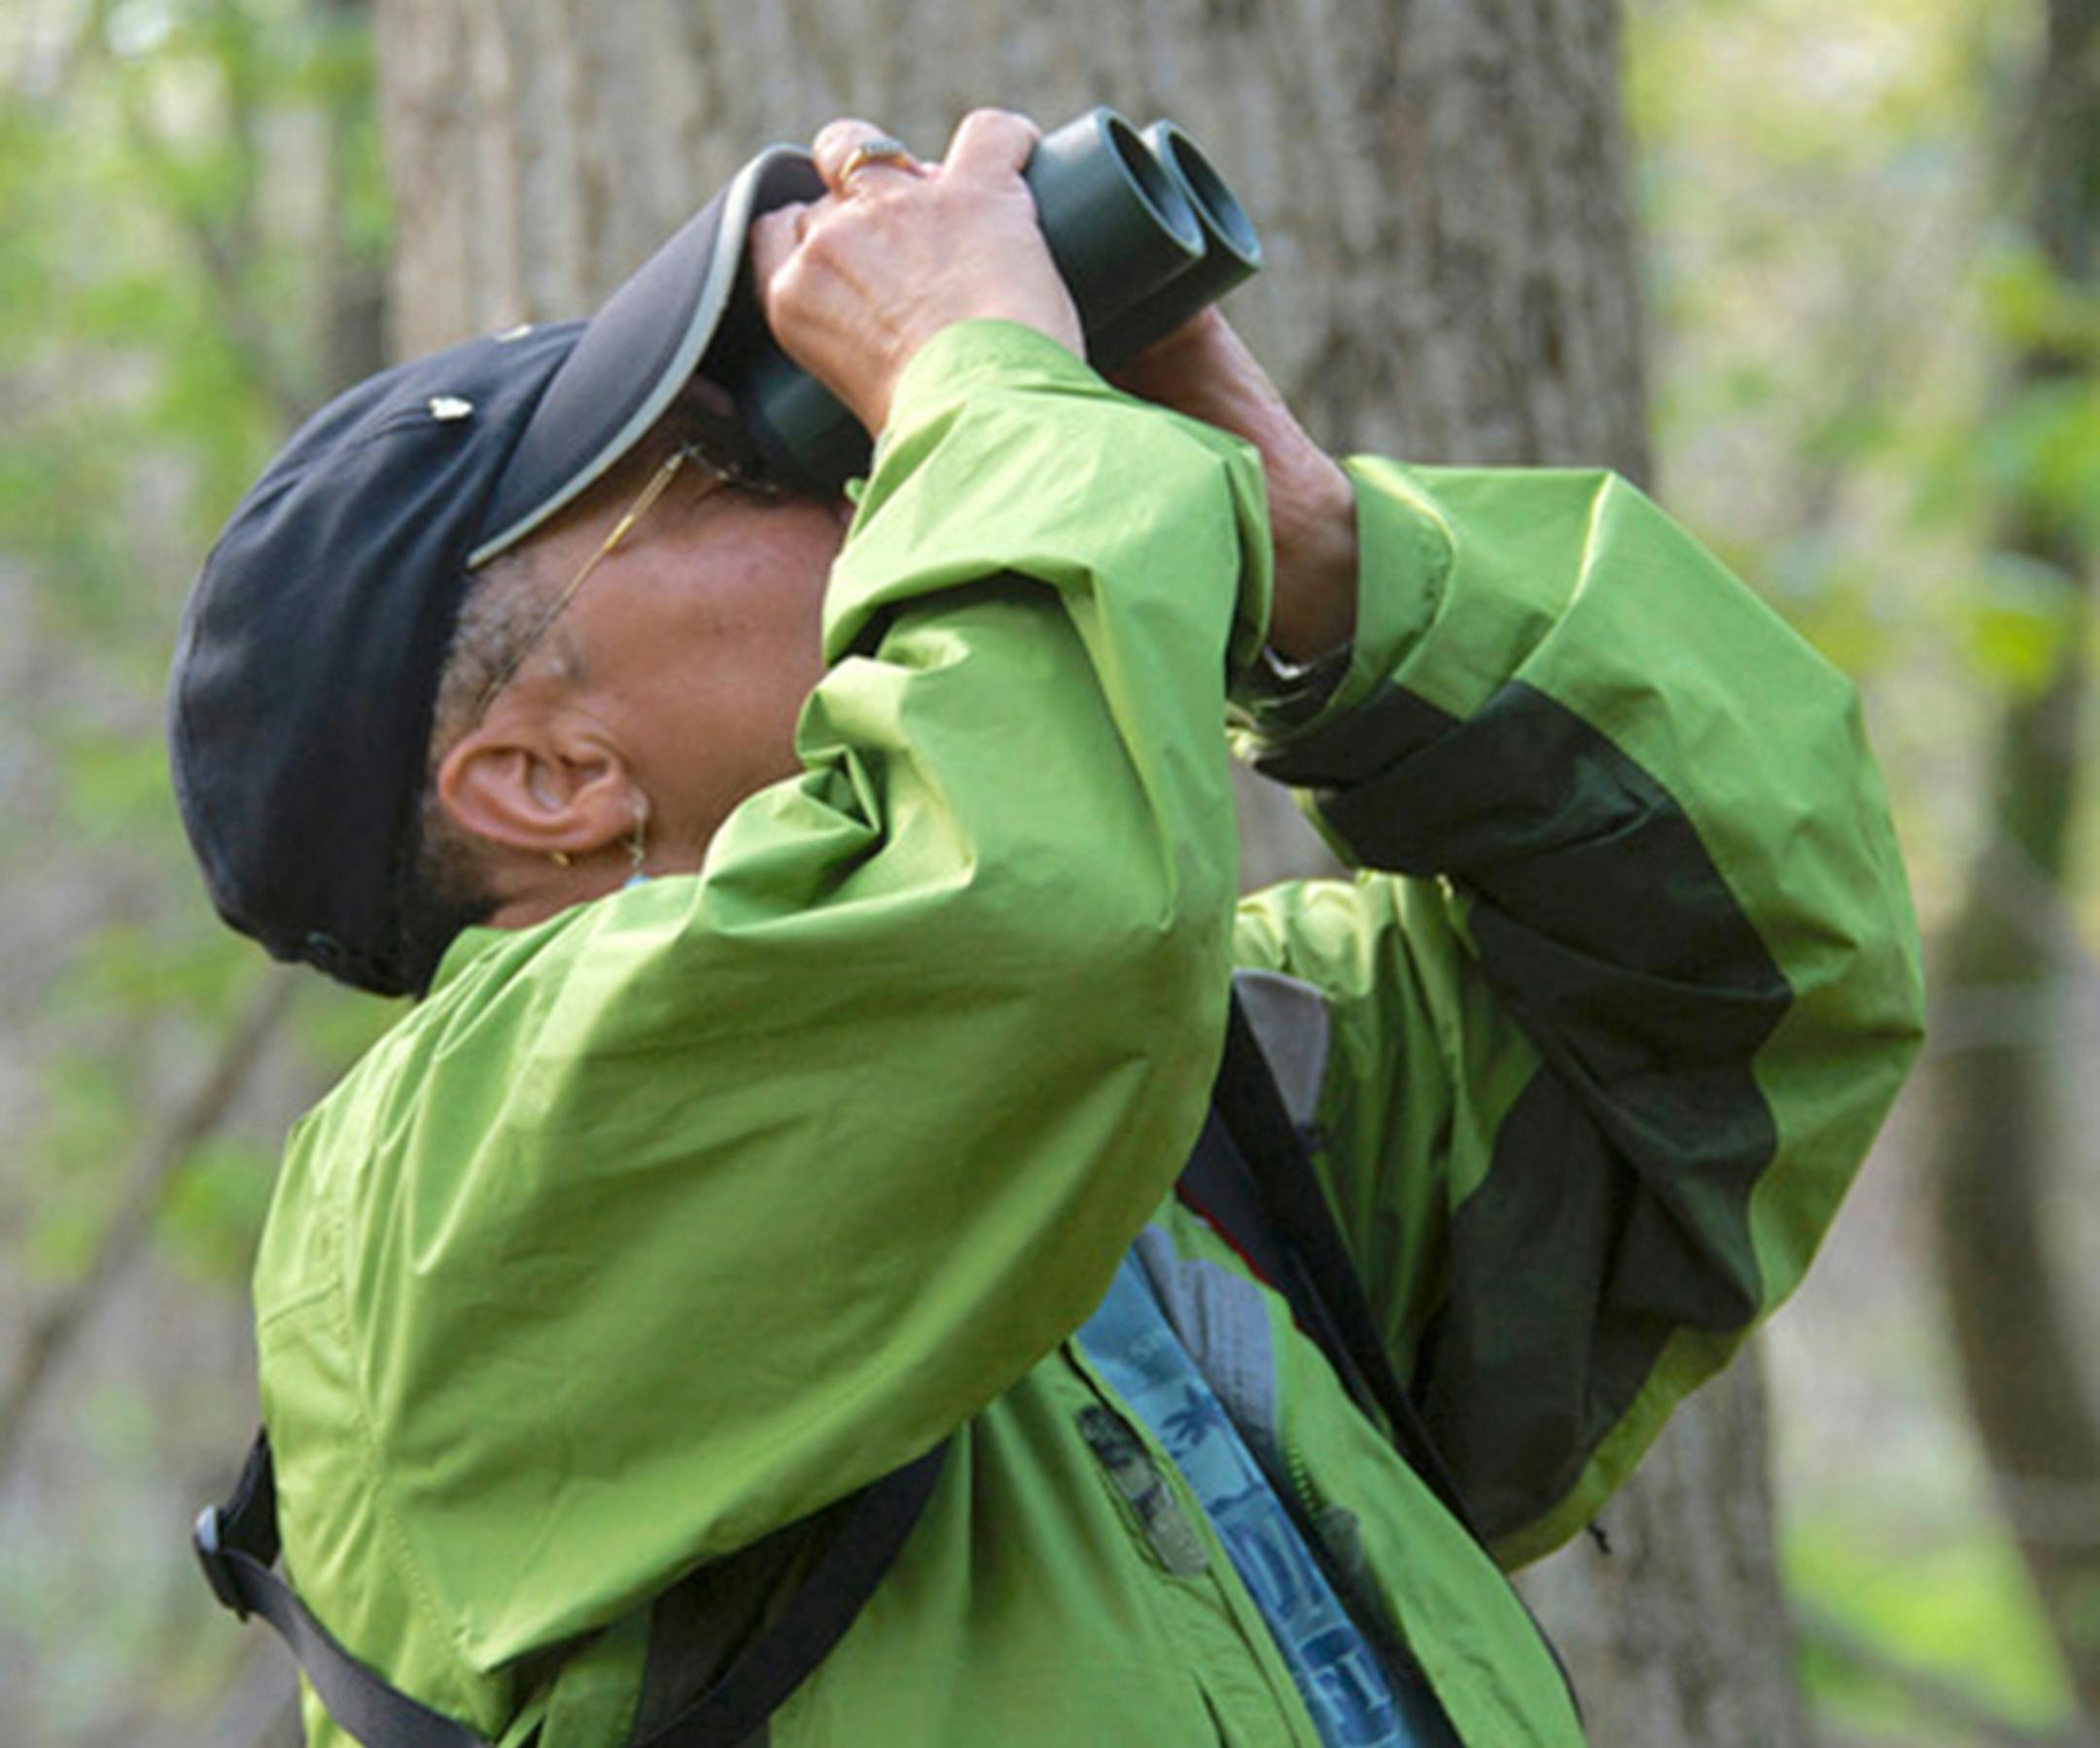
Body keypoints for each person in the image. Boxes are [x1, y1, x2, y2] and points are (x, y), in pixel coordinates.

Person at [169, 109, 1925, 1747]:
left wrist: (1327, 570)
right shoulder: (435, 1204)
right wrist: (976, 379)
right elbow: (1036, 915)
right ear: (544, 774)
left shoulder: (1192, 1094)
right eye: (720, 465)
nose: (857, 478)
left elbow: (1758, 963)